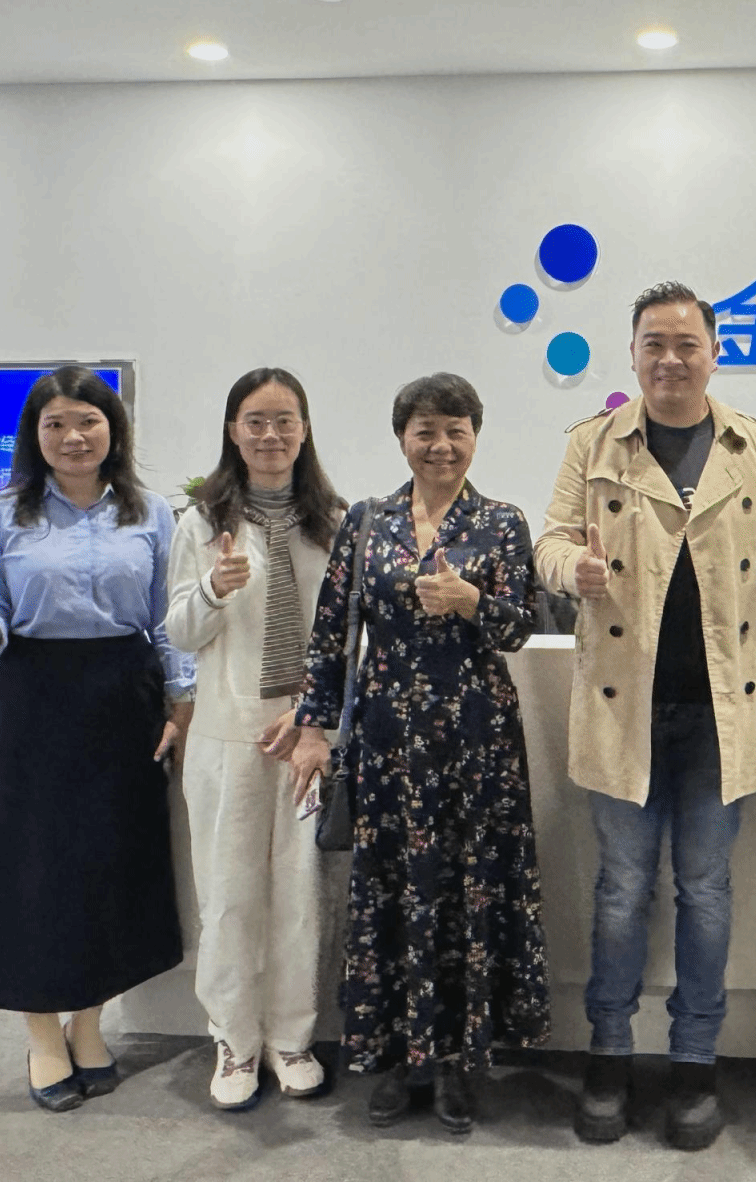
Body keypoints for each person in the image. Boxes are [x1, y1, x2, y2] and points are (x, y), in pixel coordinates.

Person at [532, 281, 756, 1151]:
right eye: (655, 344)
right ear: (634, 354)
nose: (672, 359)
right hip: (626, 711)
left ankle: (694, 1062)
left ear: (714, 353)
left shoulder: (750, 445)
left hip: (723, 712)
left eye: (688, 344)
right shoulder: (594, 443)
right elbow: (550, 539)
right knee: (620, 891)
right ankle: (608, 1054)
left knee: (706, 891)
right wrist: (571, 569)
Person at [286, 373, 548, 1134]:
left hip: (477, 740)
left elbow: (519, 627)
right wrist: (314, 728)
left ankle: (462, 1061)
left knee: (469, 893)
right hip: (387, 741)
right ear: (402, 437)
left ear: (475, 436)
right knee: (396, 892)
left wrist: (472, 602)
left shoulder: (501, 521)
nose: (441, 445)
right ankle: (400, 1059)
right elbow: (331, 634)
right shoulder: (367, 521)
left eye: (455, 430)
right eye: (425, 430)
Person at [0, 365, 194, 1112]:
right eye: (55, 423)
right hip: (30, 700)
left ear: (113, 429)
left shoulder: (151, 513)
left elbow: (168, 619)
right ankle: (42, 1036)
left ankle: (88, 1025)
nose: (73, 436)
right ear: (35, 435)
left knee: (109, 865)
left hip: (123, 697)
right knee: (29, 870)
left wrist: (180, 701)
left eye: (87, 421)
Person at [166, 368, 346, 1110]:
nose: (271, 435)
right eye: (255, 421)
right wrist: (215, 588)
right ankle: (234, 1041)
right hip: (227, 736)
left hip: (306, 737)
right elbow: (179, 631)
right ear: (232, 431)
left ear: (304, 430)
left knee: (301, 897)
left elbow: (348, 636)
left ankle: (291, 1038)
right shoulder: (201, 522)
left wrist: (314, 717)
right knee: (229, 895)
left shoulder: (333, 520)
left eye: (284, 420)